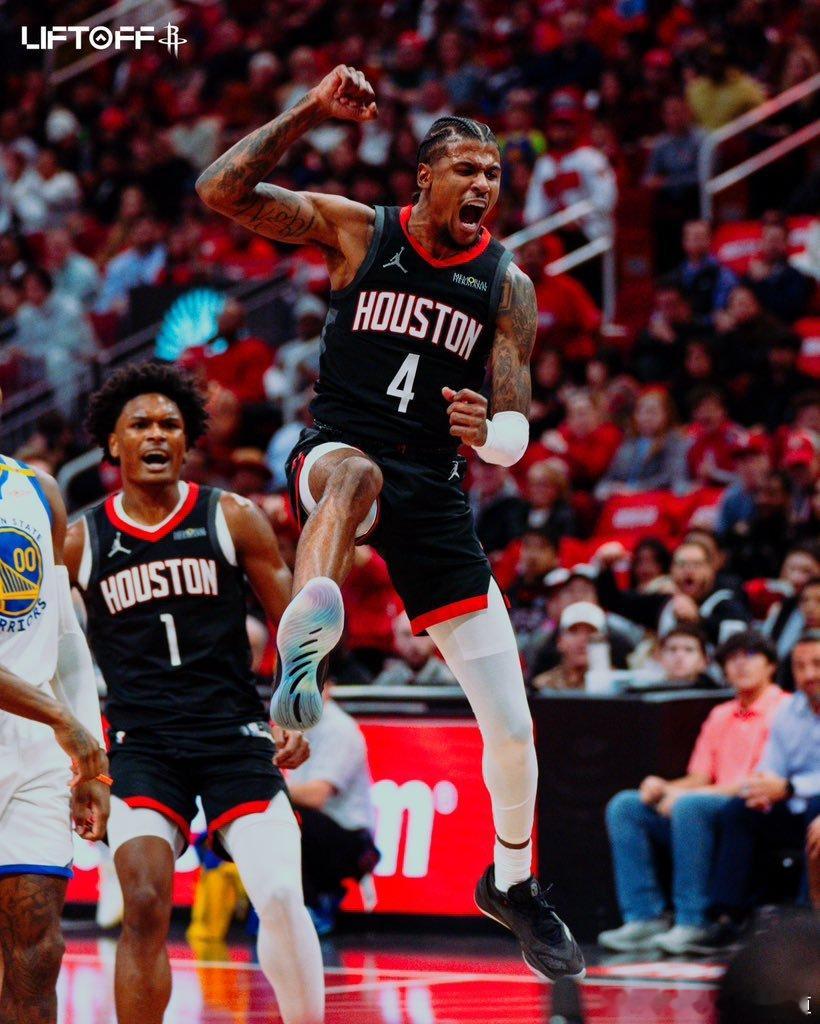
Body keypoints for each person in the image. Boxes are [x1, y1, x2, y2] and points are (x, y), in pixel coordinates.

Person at [196, 65, 585, 981]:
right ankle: (305, 660)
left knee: (512, 729)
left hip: (435, 493)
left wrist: (490, 434)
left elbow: (515, 425)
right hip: (338, 452)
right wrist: (308, 109)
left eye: (493, 173)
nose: (483, 184)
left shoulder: (507, 283)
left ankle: (512, 885)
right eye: (466, 170)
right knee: (355, 475)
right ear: (424, 178)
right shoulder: (359, 230)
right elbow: (220, 190)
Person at [65, 364, 324, 1024]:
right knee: (144, 902)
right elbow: (52, 653)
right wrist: (81, 755)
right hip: (143, 745)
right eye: (140, 425)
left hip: (233, 734)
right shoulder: (81, 541)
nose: (156, 434)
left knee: (280, 896)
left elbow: (299, 623)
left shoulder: (231, 516)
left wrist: (295, 706)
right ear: (113, 444)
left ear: (187, 441)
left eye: (170, 424)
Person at [0, 442, 110, 1023]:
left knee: (39, 953)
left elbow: (64, 634)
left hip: (35, 748)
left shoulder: (39, 491)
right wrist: (64, 722)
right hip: (48, 720)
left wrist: (91, 764)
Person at [599, 631, 787, 955]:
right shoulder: (721, 713)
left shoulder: (784, 709)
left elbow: (761, 781)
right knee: (627, 805)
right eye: (732, 658)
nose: (740, 664)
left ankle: (694, 919)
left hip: (755, 806)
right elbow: (700, 776)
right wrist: (665, 787)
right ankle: (644, 916)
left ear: (771, 665)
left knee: (691, 807)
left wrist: (685, 797)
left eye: (750, 656)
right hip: (710, 802)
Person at [705, 631, 820, 947]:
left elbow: (790, 785)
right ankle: (728, 915)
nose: (809, 674)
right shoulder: (788, 712)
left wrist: (790, 787)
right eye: (800, 666)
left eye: (816, 664)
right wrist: (762, 789)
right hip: (793, 807)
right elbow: (771, 768)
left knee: (816, 805)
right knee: (740, 810)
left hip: (812, 805)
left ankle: (806, 919)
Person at [287, 688, 379, 934]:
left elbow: (316, 796)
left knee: (287, 817)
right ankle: (294, 903)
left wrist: (268, 786)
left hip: (352, 839)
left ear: (326, 687)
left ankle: (313, 904)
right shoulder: (300, 727)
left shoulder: (339, 729)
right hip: (321, 828)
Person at [596, 538, 750, 647]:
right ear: (671, 571)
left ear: (711, 569)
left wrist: (698, 620)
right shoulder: (664, 603)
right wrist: (605, 568)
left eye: (696, 564)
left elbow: (738, 642)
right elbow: (614, 601)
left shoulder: (725, 602)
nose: (688, 571)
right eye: (681, 564)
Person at [595, 389, 689, 499]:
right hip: (624, 499)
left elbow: (671, 478)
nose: (645, 417)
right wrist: (606, 489)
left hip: (656, 499)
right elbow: (611, 476)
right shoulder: (629, 443)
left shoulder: (675, 440)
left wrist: (635, 489)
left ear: (666, 415)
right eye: (640, 412)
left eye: (652, 412)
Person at [531, 602, 606, 692]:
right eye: (574, 632)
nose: (582, 640)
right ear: (560, 641)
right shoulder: (542, 686)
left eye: (590, 632)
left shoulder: (615, 685)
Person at [372, 613, 457, 687]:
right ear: (396, 639)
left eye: (421, 635)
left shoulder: (452, 682)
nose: (414, 643)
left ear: (434, 637)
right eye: (406, 634)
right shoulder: (385, 683)